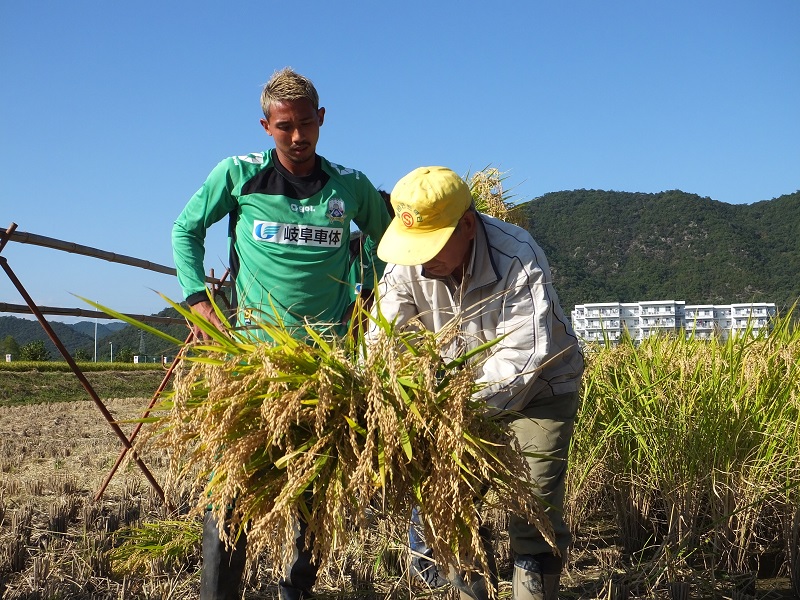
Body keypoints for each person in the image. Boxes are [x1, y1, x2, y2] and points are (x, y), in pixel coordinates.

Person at [171, 67, 392, 600]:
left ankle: (296, 590)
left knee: (313, 490)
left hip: (326, 364)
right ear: (266, 125)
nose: (298, 137)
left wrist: (367, 297)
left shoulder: (350, 185)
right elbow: (186, 229)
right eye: (284, 126)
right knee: (231, 490)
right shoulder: (239, 175)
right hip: (253, 365)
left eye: (306, 124)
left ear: (322, 120)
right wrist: (198, 299)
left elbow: (387, 242)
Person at [372, 166, 584, 600]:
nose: (421, 259)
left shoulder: (517, 256)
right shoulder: (408, 262)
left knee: (534, 509)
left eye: (431, 245)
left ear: (467, 225)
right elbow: (382, 340)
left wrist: (450, 409)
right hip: (457, 398)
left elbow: (524, 359)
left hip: (540, 390)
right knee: (445, 509)